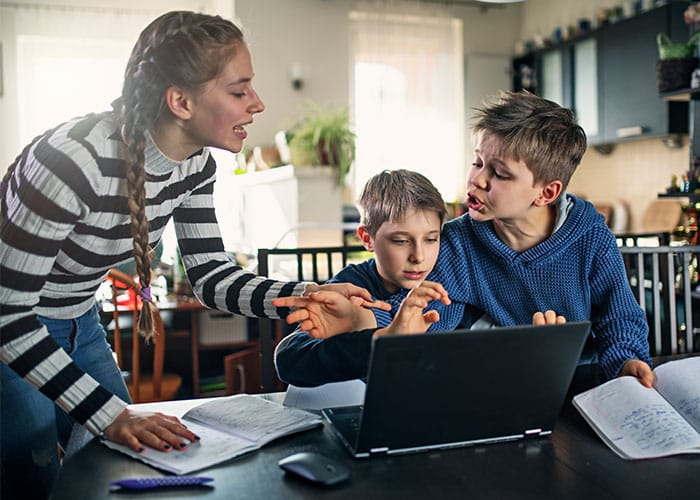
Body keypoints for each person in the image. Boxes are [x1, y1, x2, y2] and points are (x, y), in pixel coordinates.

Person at [0, 11, 381, 499]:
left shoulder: (195, 166)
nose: (258, 104)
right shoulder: (73, 161)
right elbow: (10, 315)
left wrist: (306, 292)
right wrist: (110, 415)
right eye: (239, 90)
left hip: (80, 320)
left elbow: (211, 277)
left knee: (110, 469)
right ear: (180, 101)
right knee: (33, 480)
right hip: (16, 332)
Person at [276, 90, 653, 391]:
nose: (478, 180)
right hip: (516, 389)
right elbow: (420, 315)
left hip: (585, 388)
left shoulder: (589, 236)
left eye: (500, 174)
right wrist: (362, 318)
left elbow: (619, 316)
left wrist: (625, 362)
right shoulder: (457, 242)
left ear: (546, 192)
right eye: (477, 162)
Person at [274, 169, 565, 387]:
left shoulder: (449, 285)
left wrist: (538, 349)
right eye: (401, 241)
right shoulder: (351, 289)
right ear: (367, 238)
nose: (419, 257)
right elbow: (290, 360)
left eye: (431, 239)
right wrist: (378, 338)